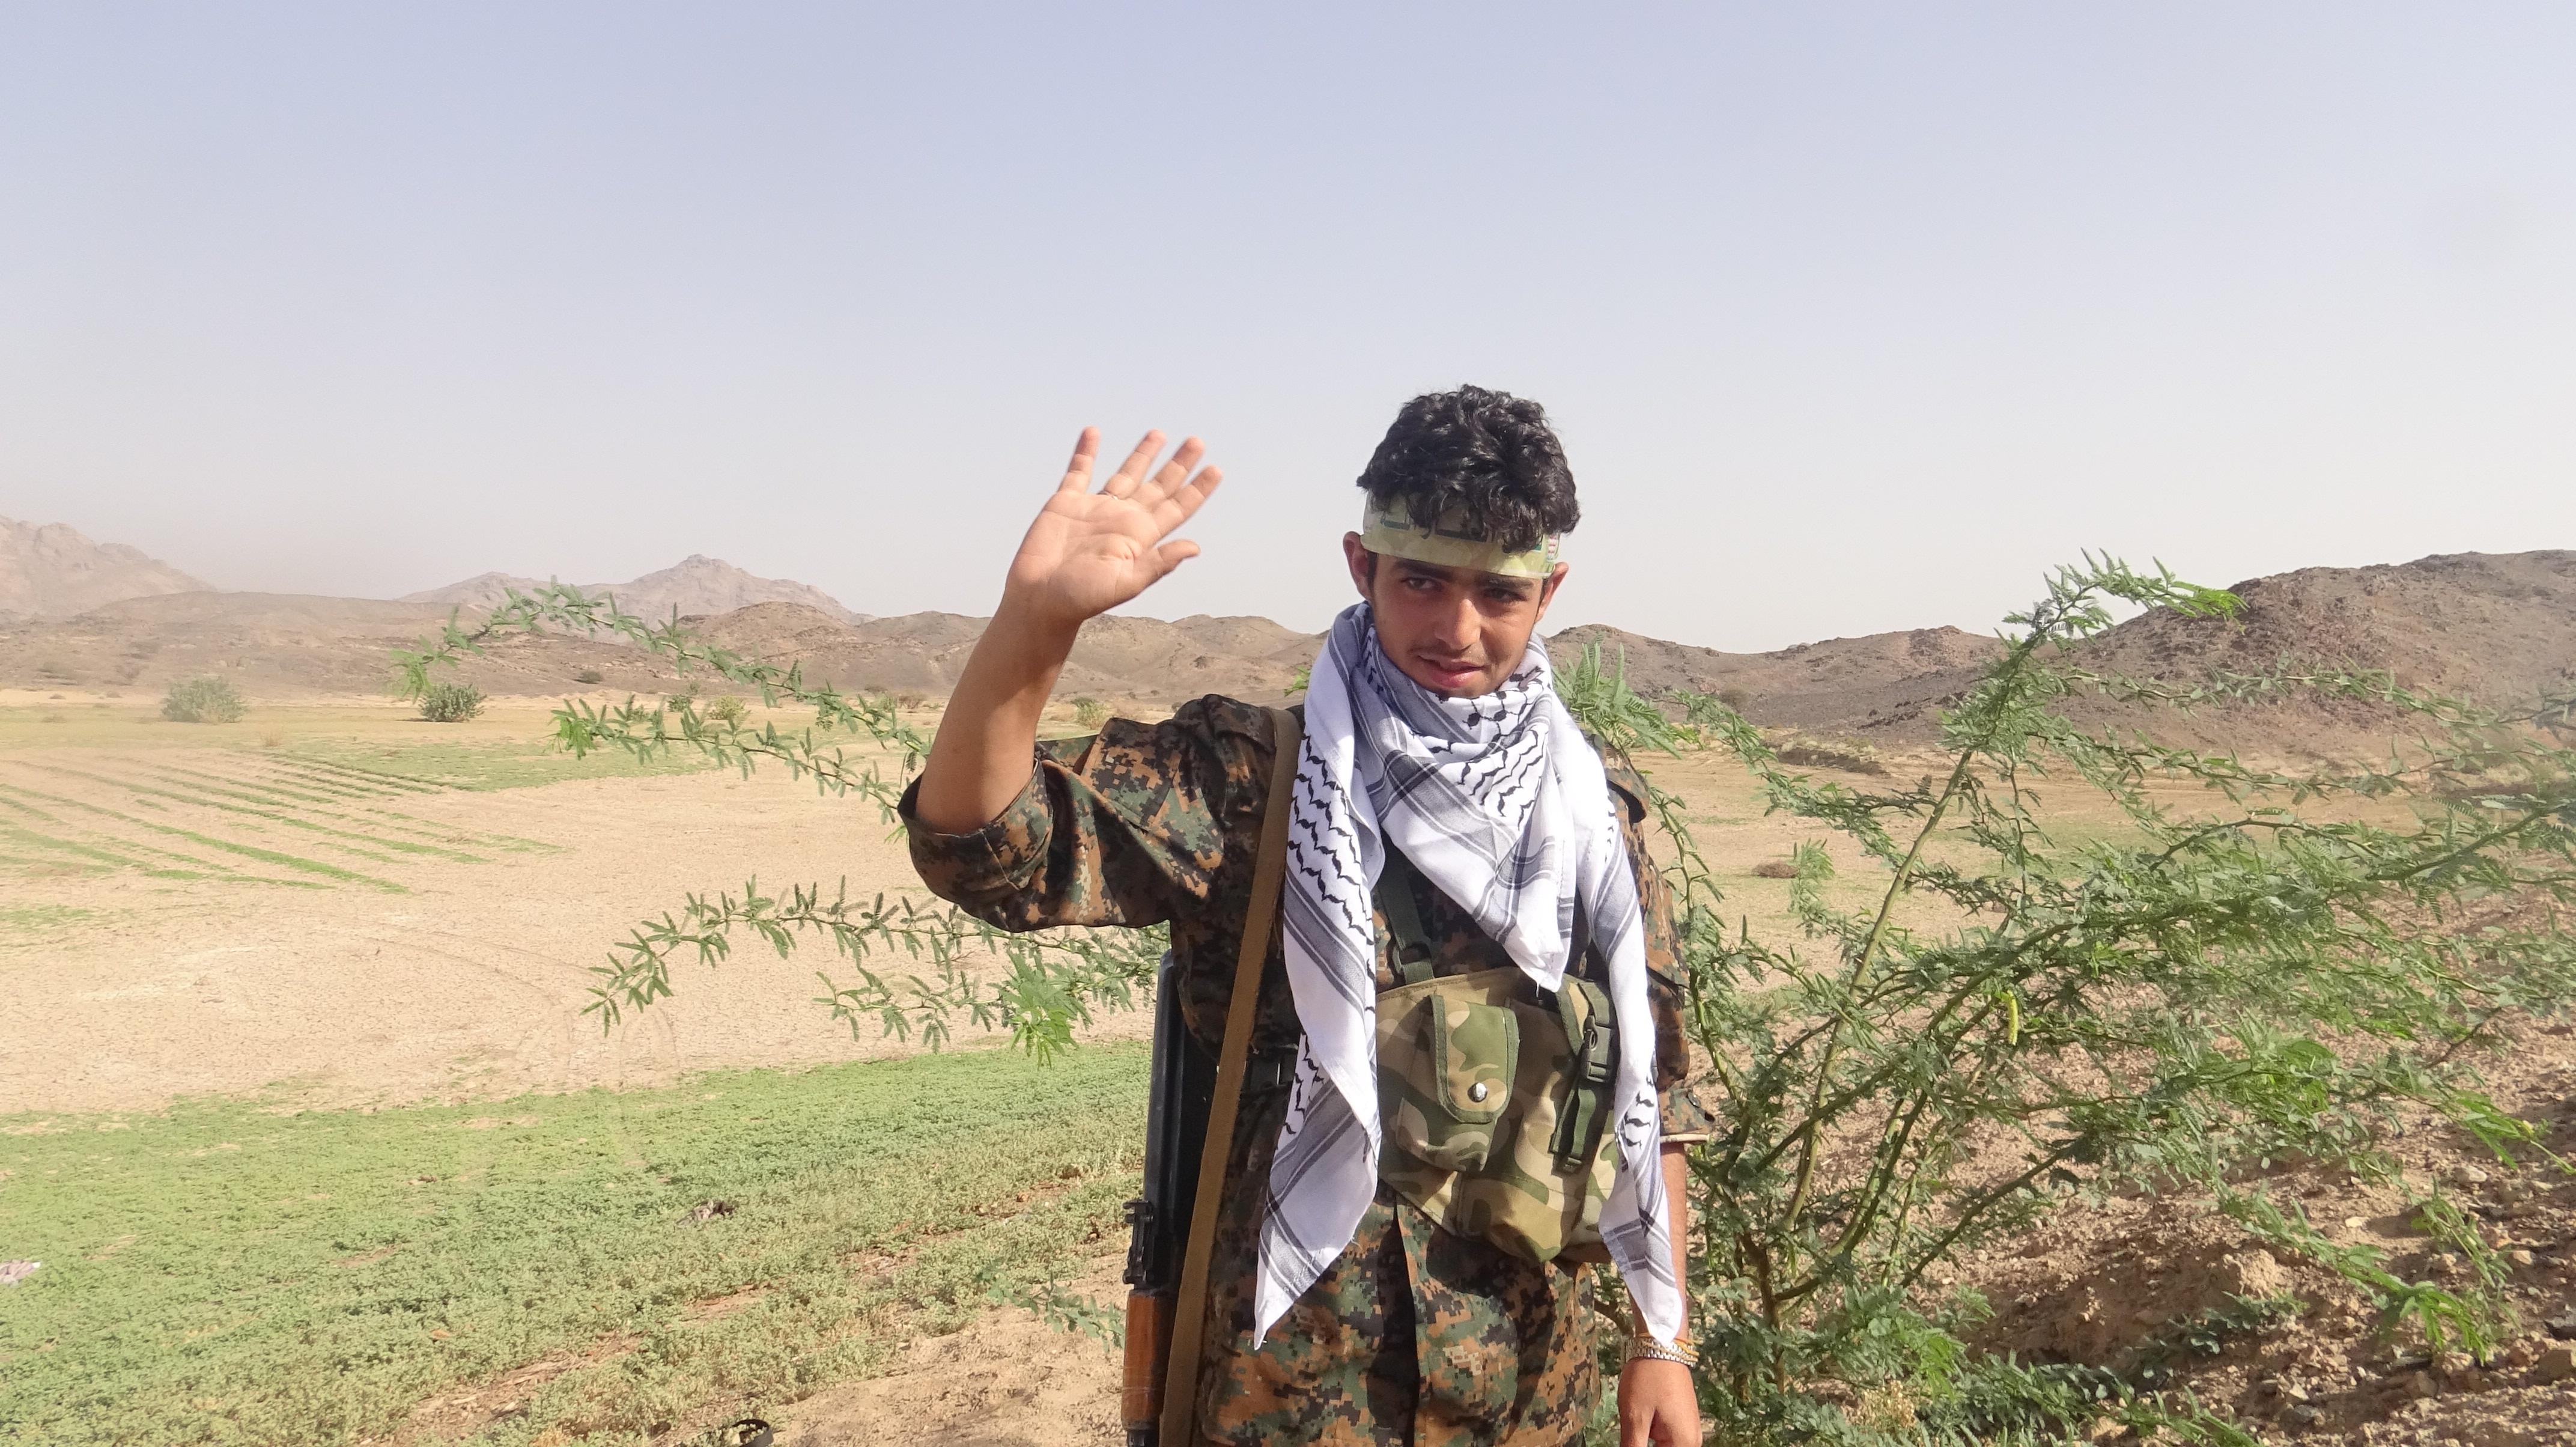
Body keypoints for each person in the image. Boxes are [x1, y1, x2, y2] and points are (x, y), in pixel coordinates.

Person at [904, 386, 1709, 1447]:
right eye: (1422, 580)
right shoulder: (1258, 781)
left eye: (1498, 592)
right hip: (1289, 1403)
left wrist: (1662, 1341)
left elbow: (1656, 1090)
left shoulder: (1590, 818)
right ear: (1361, 567)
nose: (1457, 629)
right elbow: (985, 848)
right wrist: (1036, 624)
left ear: (1549, 591)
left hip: (1526, 1402)